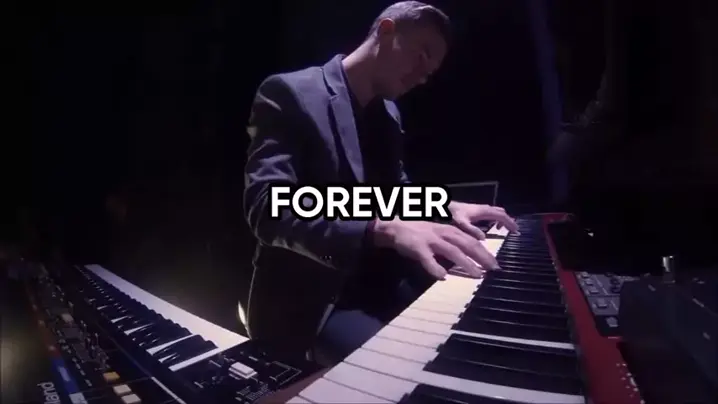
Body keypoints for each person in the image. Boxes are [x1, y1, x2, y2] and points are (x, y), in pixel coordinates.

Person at [243, 1, 519, 365]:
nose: (423, 76)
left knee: (474, 334)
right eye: (422, 55)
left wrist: (446, 206)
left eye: (431, 71)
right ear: (386, 31)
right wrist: (380, 228)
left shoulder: (388, 110)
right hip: (314, 302)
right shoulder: (290, 91)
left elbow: (393, 192)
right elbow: (268, 206)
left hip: (380, 282)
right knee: (410, 368)